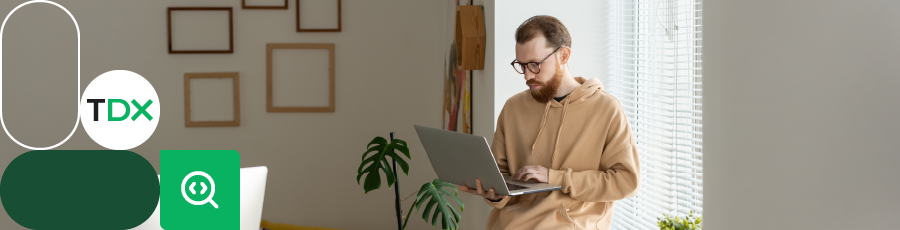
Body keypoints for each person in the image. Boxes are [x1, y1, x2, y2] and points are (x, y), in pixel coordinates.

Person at [459, 15, 641, 230]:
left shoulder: (606, 109)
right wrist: (495, 194)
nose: (527, 75)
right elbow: (501, 176)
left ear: (563, 56)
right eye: (521, 65)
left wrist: (555, 177)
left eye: (535, 64)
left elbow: (626, 182)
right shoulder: (513, 107)